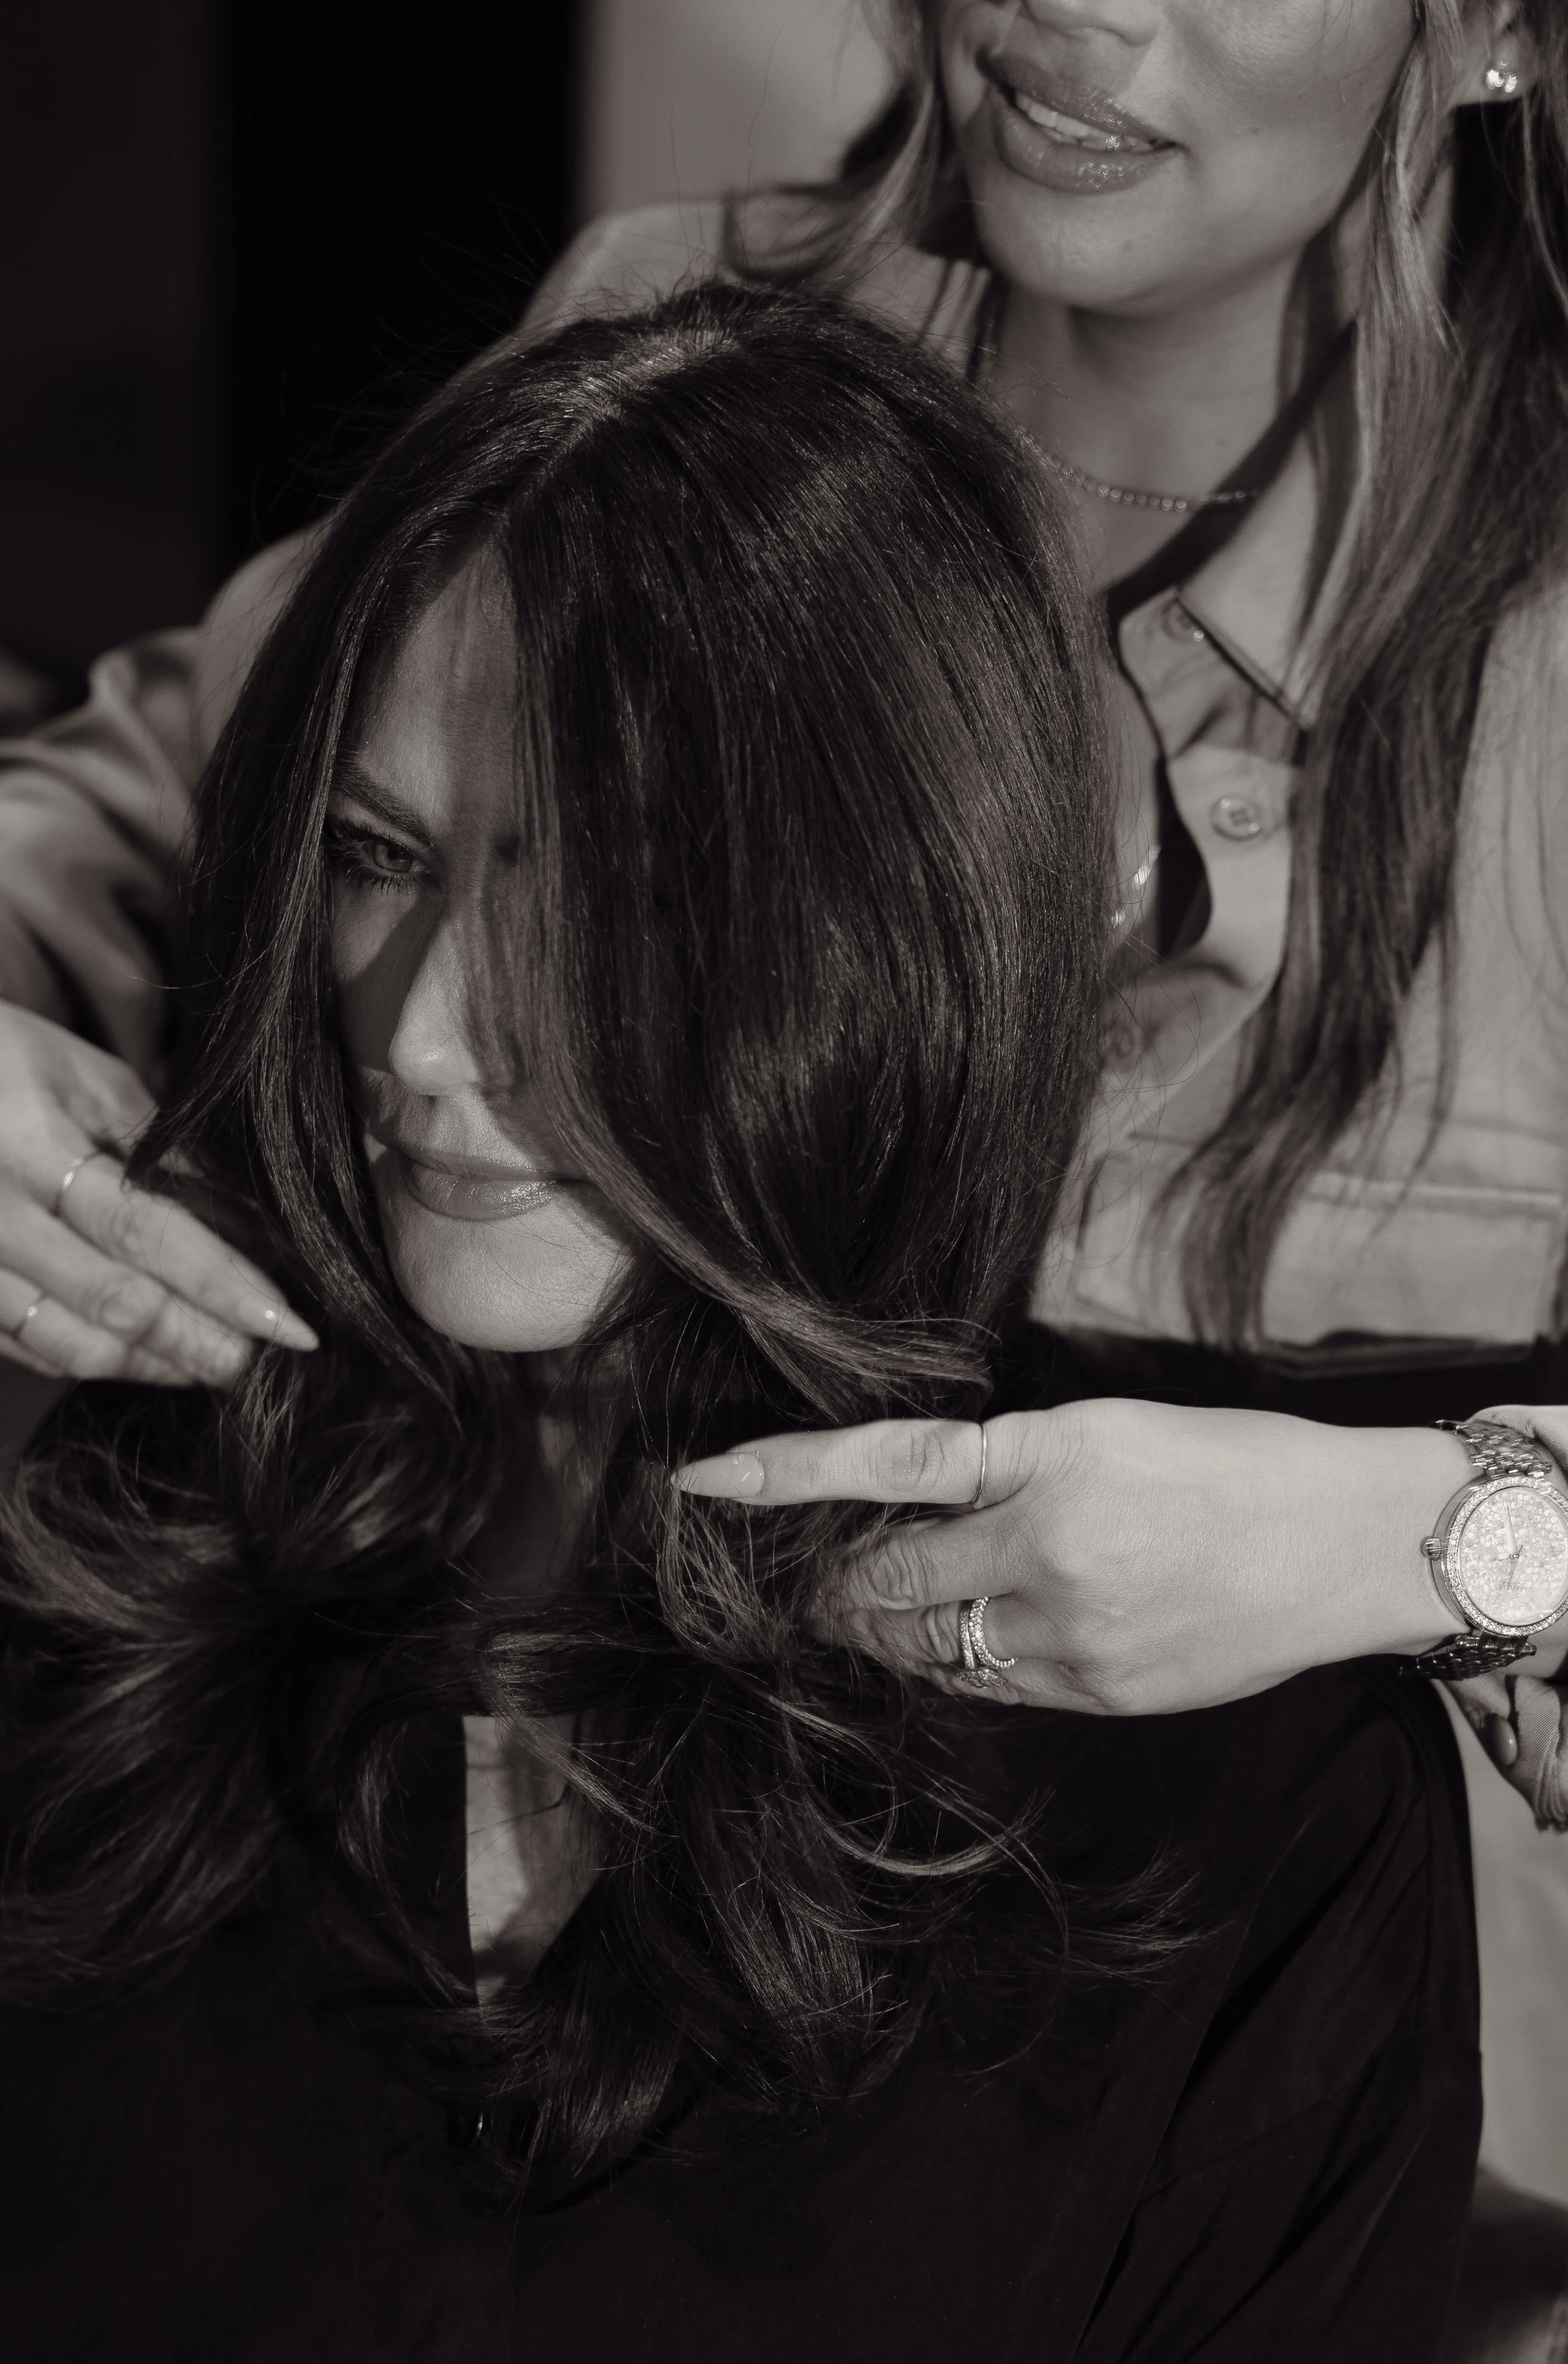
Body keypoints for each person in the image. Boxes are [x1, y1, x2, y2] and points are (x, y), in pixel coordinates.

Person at [0, 285, 1477, 2361]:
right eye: (374, 853)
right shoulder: (93, 1569)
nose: (422, 1032)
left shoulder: (1235, 1793)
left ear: (890, 940)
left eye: (598, 901)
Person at [0, 1, 1568, 1808]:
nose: (1070, 6)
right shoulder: (674, 324)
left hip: (1348, 1995)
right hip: (715, 1887)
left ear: (1490, 34)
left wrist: (1431, 1534)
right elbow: (202, 781)